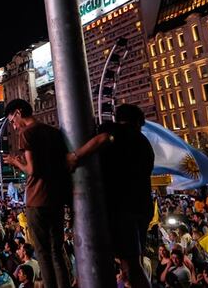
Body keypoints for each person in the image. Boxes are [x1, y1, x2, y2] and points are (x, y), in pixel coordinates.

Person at [68, 103, 155, 288]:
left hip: (122, 208)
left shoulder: (118, 131)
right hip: (142, 206)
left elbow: (104, 138)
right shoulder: (144, 142)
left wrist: (76, 155)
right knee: (130, 263)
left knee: (129, 265)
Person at [2, 99, 72, 288]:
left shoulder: (27, 133)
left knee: (43, 253)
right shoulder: (54, 132)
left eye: (12, 120)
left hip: (36, 199)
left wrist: (16, 162)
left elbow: (32, 170)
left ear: (18, 112)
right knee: (57, 250)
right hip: (55, 198)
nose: (14, 126)